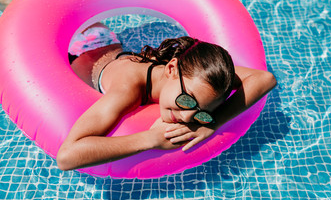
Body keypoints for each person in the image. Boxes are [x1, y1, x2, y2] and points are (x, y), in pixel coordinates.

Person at [57, 23, 277, 171]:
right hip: (81, 53)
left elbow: (265, 79)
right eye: (187, 100)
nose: (187, 116)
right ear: (171, 68)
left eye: (200, 112)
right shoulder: (127, 90)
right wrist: (150, 139)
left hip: (112, 48)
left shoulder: (190, 74)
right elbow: (67, 156)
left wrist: (213, 123)